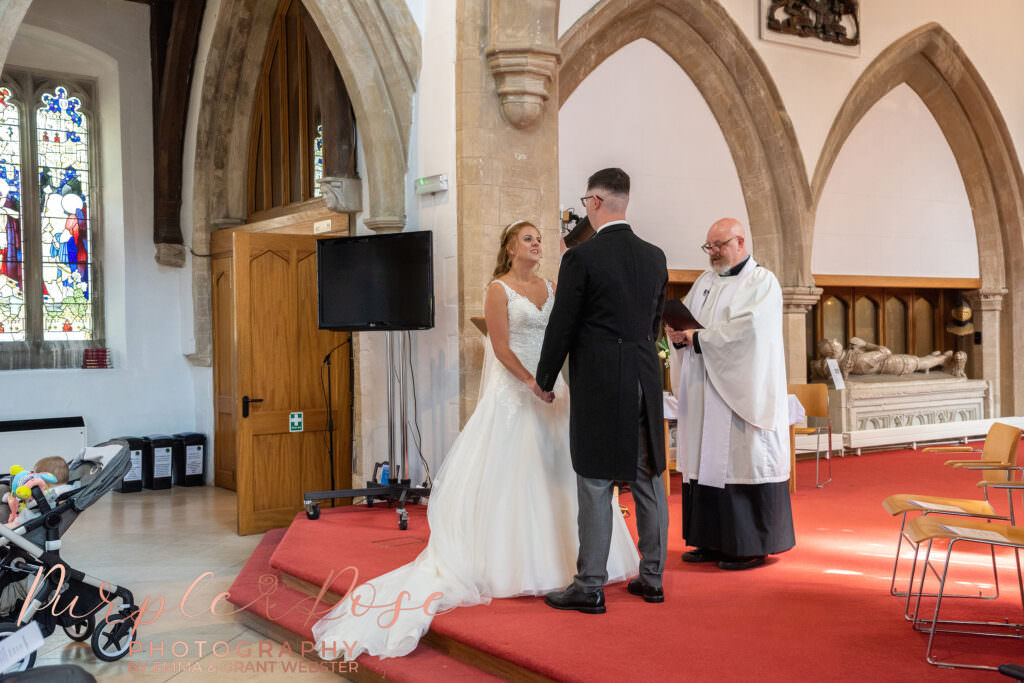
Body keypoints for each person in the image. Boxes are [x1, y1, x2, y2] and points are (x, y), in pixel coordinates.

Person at [312, 221, 639, 659]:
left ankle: (581, 564)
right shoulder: (498, 289)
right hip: (518, 393)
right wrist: (531, 383)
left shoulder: (553, 284)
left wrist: (559, 382)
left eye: (539, 238)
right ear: (508, 246)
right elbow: (501, 348)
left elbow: (566, 333)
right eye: (527, 238)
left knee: (565, 474)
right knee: (517, 477)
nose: (537, 243)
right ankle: (515, 563)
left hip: (554, 392)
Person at [536, 168, 670, 613]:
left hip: (599, 382)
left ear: (594, 202)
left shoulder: (582, 258)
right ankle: (652, 578)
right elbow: (653, 325)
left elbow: (563, 326)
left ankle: (589, 585)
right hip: (644, 378)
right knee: (648, 476)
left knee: (594, 480)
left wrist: (545, 377)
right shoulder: (655, 256)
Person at [666, 217, 794, 571]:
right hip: (706, 390)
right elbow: (689, 320)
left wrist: (700, 339)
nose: (713, 253)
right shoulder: (705, 282)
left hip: (739, 395)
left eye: (719, 245)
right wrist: (679, 336)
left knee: (739, 461)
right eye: (709, 246)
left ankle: (748, 546)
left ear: (741, 242)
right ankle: (710, 540)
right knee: (704, 461)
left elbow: (750, 331)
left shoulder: (762, 282)